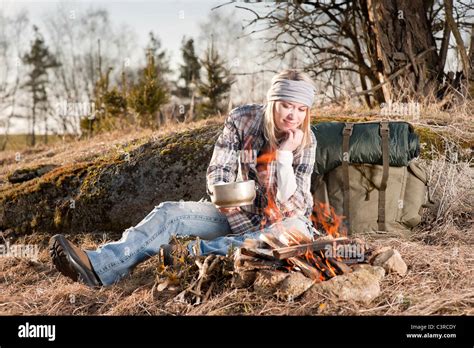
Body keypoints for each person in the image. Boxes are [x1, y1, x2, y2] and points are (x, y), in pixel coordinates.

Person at [49, 69, 318, 287]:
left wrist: (283, 156)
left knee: (293, 232)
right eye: (285, 106)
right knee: (170, 212)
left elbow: (295, 205)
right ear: (272, 101)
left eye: (301, 109)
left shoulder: (306, 141)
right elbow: (219, 168)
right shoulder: (243, 119)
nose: (293, 115)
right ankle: (100, 266)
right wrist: (222, 193)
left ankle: (189, 254)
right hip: (239, 217)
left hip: (281, 226)